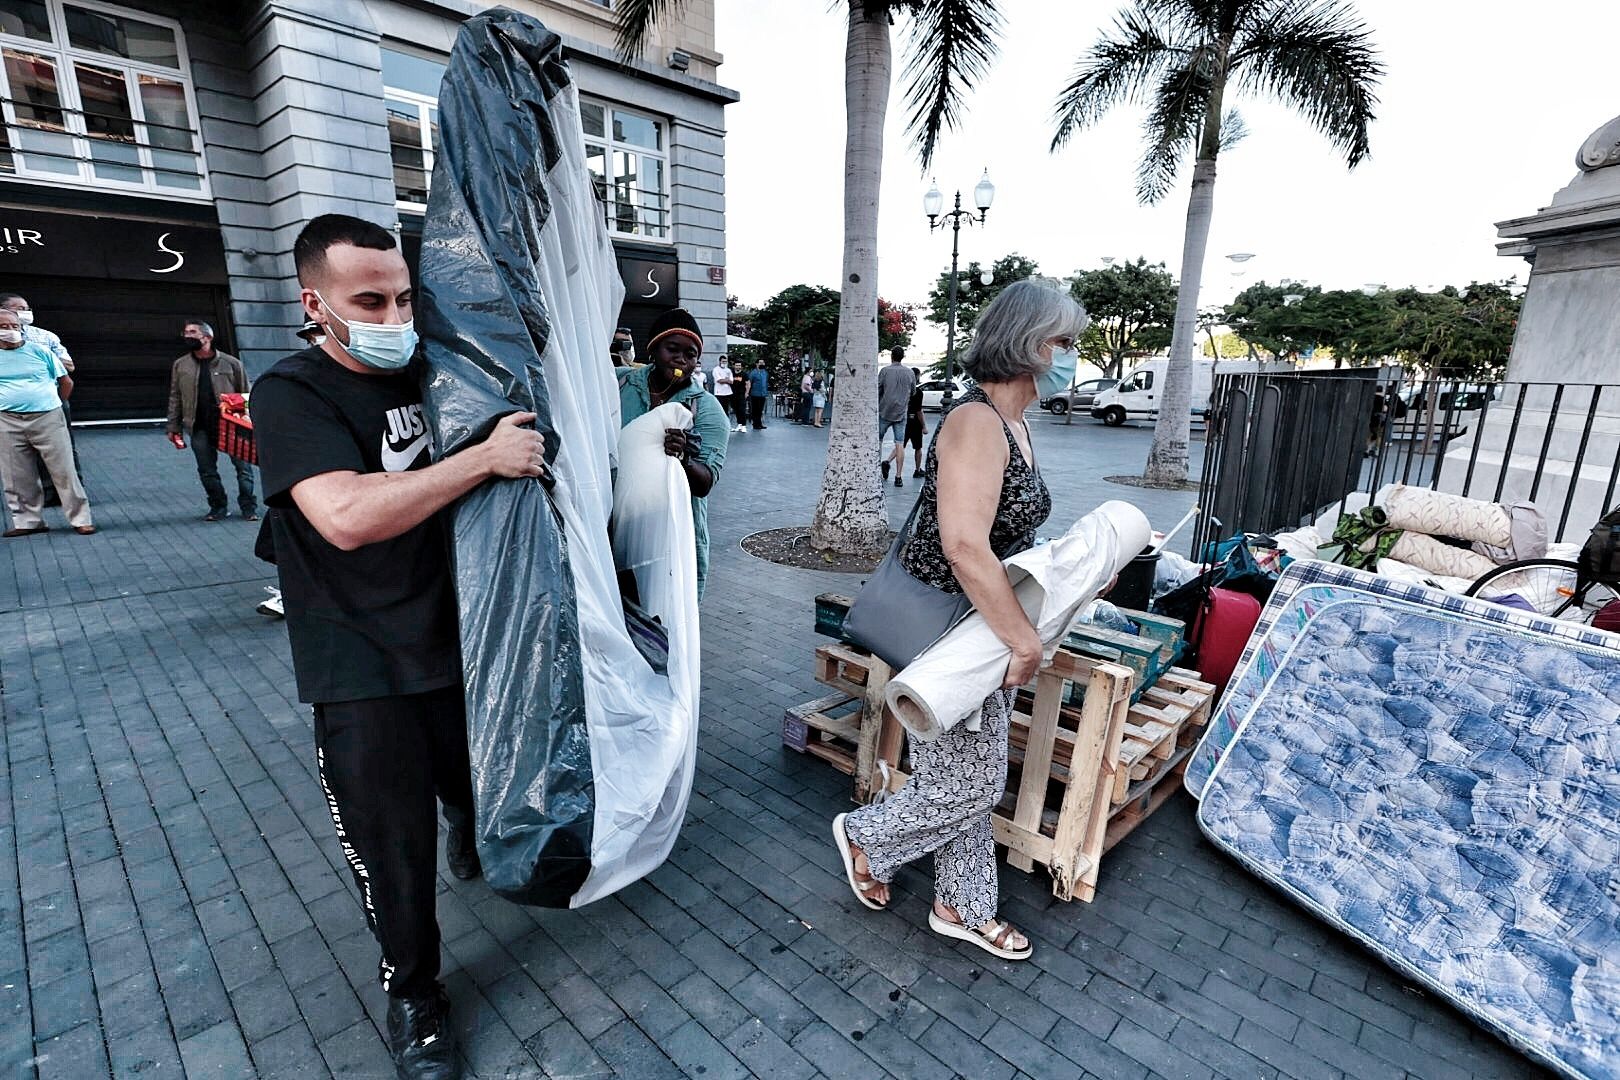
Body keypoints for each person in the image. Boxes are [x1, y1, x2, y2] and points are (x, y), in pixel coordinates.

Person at [252, 214, 545, 1080]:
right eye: (369, 301)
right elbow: (343, 516)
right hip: (359, 659)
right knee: (394, 846)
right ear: (317, 303)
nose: (393, 317)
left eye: (404, 298)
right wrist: (482, 462)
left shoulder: (436, 368)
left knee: (468, 779)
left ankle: (464, 820)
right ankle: (415, 993)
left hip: (455, 636)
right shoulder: (292, 393)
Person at [832, 281, 1085, 963]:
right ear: (1029, 343)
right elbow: (965, 546)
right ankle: (868, 836)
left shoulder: (1019, 425)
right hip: (946, 629)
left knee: (973, 767)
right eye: (1064, 341)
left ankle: (961, 903)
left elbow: (1006, 538)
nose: (1072, 355)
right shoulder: (975, 422)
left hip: (983, 623)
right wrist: (1021, 637)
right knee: (970, 779)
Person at [616, 307, 729, 598]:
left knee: (662, 623)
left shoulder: (707, 410)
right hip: (612, 528)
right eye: (672, 349)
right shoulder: (620, 384)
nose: (681, 359)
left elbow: (705, 484)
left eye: (690, 354)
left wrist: (685, 458)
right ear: (653, 350)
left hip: (672, 538)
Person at [0, 307, 94, 536]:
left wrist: (55, 404)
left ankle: (81, 519)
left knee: (64, 470)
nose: (11, 331)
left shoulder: (40, 351)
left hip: (47, 416)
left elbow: (66, 382)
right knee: (16, 474)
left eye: (14, 326)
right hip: (7, 419)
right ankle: (27, 522)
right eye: (4, 326)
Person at [166, 320, 258, 522]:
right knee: (207, 471)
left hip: (232, 426)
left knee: (244, 469)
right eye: (186, 332)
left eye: (192, 332)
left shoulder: (231, 364)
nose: (187, 336)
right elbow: (175, 395)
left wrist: (251, 424)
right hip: (199, 426)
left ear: (207, 337)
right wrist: (173, 426)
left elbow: (247, 395)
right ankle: (218, 506)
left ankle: (249, 507)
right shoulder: (181, 365)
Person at [2, 292, 81, 501]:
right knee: (22, 456)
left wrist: (39, 359)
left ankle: (70, 494)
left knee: (64, 449)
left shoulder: (44, 337)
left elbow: (69, 367)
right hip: (10, 411)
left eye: (27, 309)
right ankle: (39, 496)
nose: (25, 313)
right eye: (19, 309)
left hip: (50, 401)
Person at [877, 346, 913, 486]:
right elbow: (914, 390)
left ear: (891, 356)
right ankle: (898, 477)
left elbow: (878, 389)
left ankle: (876, 472)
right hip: (901, 412)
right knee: (899, 444)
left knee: (878, 440)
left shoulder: (884, 371)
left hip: (884, 411)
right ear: (902, 356)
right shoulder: (909, 373)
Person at [905, 368, 926, 476]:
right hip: (915, 423)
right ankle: (917, 470)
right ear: (916, 376)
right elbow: (919, 411)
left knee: (900, 445)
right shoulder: (918, 392)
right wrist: (924, 426)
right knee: (918, 447)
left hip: (904, 420)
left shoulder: (904, 389)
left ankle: (888, 461)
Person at [712, 354, 738, 432]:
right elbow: (719, 380)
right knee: (720, 410)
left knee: (727, 410)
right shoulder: (716, 370)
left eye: (726, 361)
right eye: (723, 361)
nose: (724, 363)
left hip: (728, 393)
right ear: (719, 361)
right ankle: (719, 426)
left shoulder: (728, 370)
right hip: (719, 393)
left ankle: (727, 426)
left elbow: (731, 381)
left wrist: (725, 380)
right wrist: (726, 380)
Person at [746, 358, 769, 430]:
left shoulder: (765, 372)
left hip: (763, 394)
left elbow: (766, 382)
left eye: (763, 362)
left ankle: (759, 423)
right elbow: (749, 383)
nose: (762, 364)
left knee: (760, 410)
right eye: (760, 362)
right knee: (755, 410)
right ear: (757, 364)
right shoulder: (753, 373)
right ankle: (755, 424)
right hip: (755, 394)